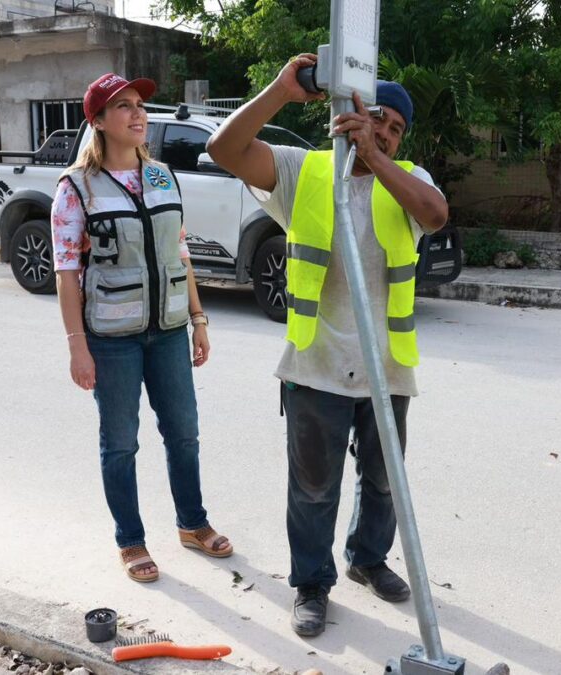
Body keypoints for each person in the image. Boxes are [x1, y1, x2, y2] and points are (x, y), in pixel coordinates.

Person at [206, 54, 449, 637]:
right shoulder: (303, 172)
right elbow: (223, 149)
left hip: (386, 369)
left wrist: (373, 156)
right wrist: (279, 92)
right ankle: (311, 583)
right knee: (313, 489)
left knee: (384, 479)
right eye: (378, 119)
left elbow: (436, 216)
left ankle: (367, 559)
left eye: (395, 129)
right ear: (346, 114)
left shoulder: (409, 178)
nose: (386, 133)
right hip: (316, 366)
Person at [53, 72, 233, 583]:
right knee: (121, 442)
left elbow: (180, 254)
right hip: (112, 339)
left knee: (184, 433)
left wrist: (198, 319)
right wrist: (77, 347)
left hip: (170, 330)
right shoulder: (74, 189)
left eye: (140, 106)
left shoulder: (161, 177)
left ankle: (192, 525)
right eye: (124, 106)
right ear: (98, 121)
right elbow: (68, 275)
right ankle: (130, 541)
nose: (138, 115)